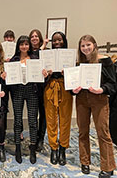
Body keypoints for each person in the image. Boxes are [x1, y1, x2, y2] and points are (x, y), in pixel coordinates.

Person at [72, 34, 116, 178]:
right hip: (82, 100)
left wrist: (101, 89)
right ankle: (85, 162)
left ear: (94, 45)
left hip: (99, 99)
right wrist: (73, 90)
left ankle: (108, 166)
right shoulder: (78, 64)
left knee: (103, 132)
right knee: (83, 132)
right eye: (82, 46)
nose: (85, 48)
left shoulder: (105, 61)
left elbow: (112, 84)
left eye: (88, 45)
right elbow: (72, 85)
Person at [3, 35, 47, 164]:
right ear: (18, 46)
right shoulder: (13, 60)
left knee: (33, 120)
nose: (24, 46)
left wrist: (44, 74)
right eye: (21, 44)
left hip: (32, 91)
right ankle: (18, 148)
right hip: (17, 91)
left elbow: (41, 78)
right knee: (17, 120)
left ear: (29, 46)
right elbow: (7, 77)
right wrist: (5, 75)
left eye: (26, 44)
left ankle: (32, 148)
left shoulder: (35, 59)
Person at [43, 31, 73, 166]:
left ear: (64, 41)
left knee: (65, 119)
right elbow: (39, 74)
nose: (57, 43)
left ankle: (63, 148)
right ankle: (53, 148)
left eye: (59, 40)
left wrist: (67, 72)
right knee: (51, 119)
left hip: (65, 87)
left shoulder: (69, 55)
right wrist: (46, 73)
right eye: (54, 40)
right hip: (50, 87)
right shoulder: (47, 55)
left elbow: (74, 75)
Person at [28, 29, 47, 151]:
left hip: (43, 87)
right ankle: (33, 138)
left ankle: (41, 138)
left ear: (40, 38)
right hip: (31, 88)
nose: (34, 38)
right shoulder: (27, 52)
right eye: (32, 36)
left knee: (43, 114)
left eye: (36, 36)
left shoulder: (46, 52)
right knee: (33, 115)